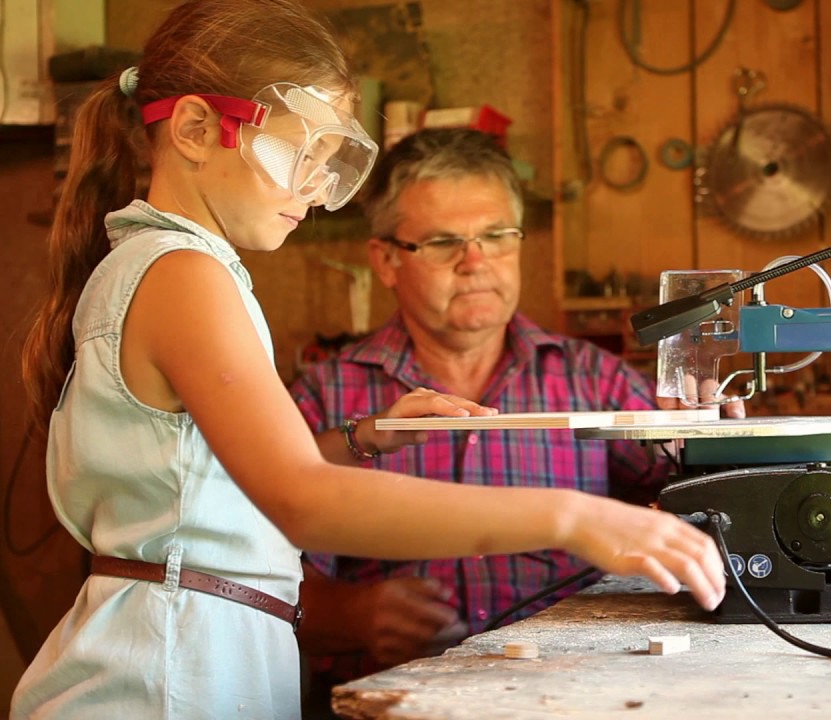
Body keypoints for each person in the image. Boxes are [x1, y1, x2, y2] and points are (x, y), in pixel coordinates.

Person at [12, 1, 723, 718]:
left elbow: (200, 478)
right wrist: (575, 519)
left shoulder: (177, 267)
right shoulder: (185, 273)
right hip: (167, 669)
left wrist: (361, 438)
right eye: (300, 158)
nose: (317, 195)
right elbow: (302, 501)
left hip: (196, 649)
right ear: (197, 129)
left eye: (328, 168)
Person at [289, 128, 743, 696]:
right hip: (392, 701)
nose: (475, 261)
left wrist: (714, 436)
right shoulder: (328, 398)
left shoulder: (591, 378)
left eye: (496, 235)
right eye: (442, 241)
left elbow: (698, 499)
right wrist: (351, 614)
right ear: (385, 260)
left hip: (572, 695)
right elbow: (254, 576)